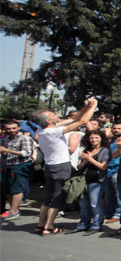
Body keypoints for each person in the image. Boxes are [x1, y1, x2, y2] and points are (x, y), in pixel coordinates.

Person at [32, 98, 97, 235]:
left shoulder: (43, 129)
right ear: (48, 121)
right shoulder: (53, 132)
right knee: (58, 197)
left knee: (49, 197)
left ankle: (40, 225)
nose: (56, 115)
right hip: (60, 166)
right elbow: (82, 121)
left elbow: (77, 117)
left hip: (50, 166)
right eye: (53, 115)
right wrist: (93, 106)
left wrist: (85, 108)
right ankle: (49, 227)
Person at [68, 130, 110, 235]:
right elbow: (79, 166)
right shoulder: (87, 149)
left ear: (101, 138)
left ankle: (96, 225)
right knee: (83, 204)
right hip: (83, 180)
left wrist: (90, 159)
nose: (93, 140)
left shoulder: (105, 150)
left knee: (95, 204)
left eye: (96, 137)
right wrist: (85, 160)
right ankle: (83, 225)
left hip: (97, 180)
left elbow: (103, 166)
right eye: (91, 138)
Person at [0, 119, 35, 221]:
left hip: (20, 165)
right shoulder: (5, 139)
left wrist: (8, 150)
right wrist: (4, 153)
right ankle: (13, 209)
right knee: (7, 188)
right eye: (8, 129)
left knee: (17, 188)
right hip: (7, 165)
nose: (11, 130)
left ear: (18, 128)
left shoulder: (24, 138)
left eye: (13, 128)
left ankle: (14, 210)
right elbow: (5, 154)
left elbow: (26, 153)